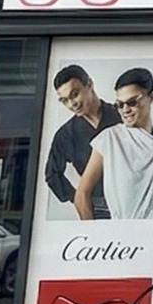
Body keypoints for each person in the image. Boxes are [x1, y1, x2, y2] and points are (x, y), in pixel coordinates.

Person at [75, 69, 153, 220]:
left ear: (151, 97)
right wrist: (91, 232)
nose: (125, 110)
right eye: (120, 105)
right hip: (121, 230)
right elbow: (81, 195)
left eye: (132, 102)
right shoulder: (109, 138)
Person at [44, 65, 119, 216]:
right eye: (64, 101)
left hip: (134, 201)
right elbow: (52, 175)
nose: (72, 104)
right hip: (98, 208)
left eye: (75, 94)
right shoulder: (65, 135)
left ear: (89, 84)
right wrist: (78, 198)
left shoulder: (122, 115)